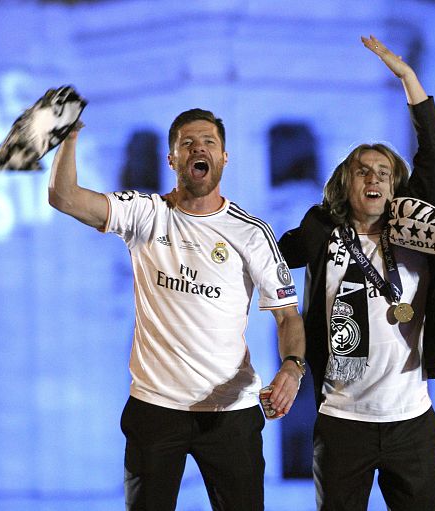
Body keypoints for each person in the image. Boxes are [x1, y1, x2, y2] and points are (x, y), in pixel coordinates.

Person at [49, 108, 306, 510]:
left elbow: (288, 314)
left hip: (230, 412)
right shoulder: (145, 214)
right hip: (154, 409)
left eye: (209, 143)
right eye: (187, 144)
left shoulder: (251, 233)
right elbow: (64, 197)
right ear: (172, 159)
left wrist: (292, 366)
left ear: (223, 157)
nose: (197, 149)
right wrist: (69, 138)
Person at [278, 35, 435, 510]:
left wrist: (409, 80)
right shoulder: (322, 232)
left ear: (396, 187)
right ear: (345, 183)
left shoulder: (415, 231)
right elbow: (270, 254)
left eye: (383, 171)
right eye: (362, 171)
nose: (373, 178)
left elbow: (434, 155)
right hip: (341, 423)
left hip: (411, 423)